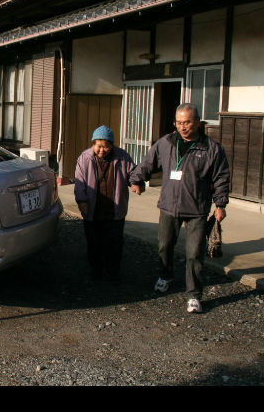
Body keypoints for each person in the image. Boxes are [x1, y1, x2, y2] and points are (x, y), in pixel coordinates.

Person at [130, 103, 230, 313]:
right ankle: (165, 276)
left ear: (198, 122)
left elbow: (221, 178)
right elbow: (149, 162)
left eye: (187, 122)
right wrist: (137, 179)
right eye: (179, 122)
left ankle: (194, 294)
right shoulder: (166, 143)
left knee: (194, 253)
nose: (183, 127)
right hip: (168, 205)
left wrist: (220, 204)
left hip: (197, 208)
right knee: (165, 246)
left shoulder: (211, 148)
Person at [74, 125, 136, 283]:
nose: (102, 150)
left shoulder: (122, 157)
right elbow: (80, 183)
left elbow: (133, 173)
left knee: (115, 244)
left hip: (115, 210)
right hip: (93, 210)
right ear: (93, 144)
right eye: (99, 146)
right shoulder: (85, 158)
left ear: (112, 145)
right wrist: (82, 202)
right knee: (94, 244)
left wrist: (136, 182)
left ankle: (113, 273)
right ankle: (96, 271)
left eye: (106, 146)